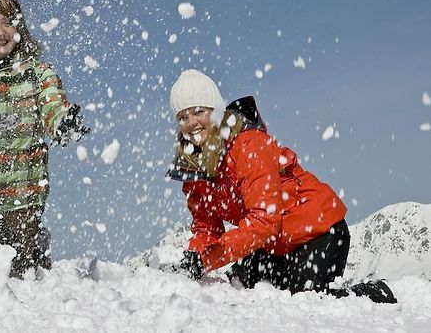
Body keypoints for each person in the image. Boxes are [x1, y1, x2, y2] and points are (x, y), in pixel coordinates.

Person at [167, 69, 397, 303]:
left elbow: (264, 220)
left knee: (307, 302)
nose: (191, 123)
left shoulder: (248, 145)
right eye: (182, 117)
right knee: (237, 291)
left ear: (216, 111)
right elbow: (206, 227)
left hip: (316, 232)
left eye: (198, 111)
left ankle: (371, 295)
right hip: (270, 243)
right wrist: (194, 261)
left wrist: (209, 259)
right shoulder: (194, 166)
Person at [0, 0, 90, 278]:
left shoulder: (38, 73)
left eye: (7, 22)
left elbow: (54, 107)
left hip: (22, 201)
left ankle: (34, 252)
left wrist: (64, 123)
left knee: (16, 283)